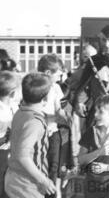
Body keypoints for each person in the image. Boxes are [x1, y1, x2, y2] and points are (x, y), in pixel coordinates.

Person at [5, 72, 56, 198]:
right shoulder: (34, 122)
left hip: (14, 177)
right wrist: (43, 180)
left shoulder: (20, 112)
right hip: (27, 184)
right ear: (45, 99)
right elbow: (23, 156)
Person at [38, 54, 71, 198]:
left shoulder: (56, 87)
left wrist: (65, 116)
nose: (61, 74)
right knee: (40, 165)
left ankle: (52, 193)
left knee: (55, 166)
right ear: (48, 73)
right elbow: (37, 112)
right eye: (58, 72)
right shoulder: (37, 88)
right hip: (39, 134)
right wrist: (55, 116)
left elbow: (58, 109)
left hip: (53, 132)